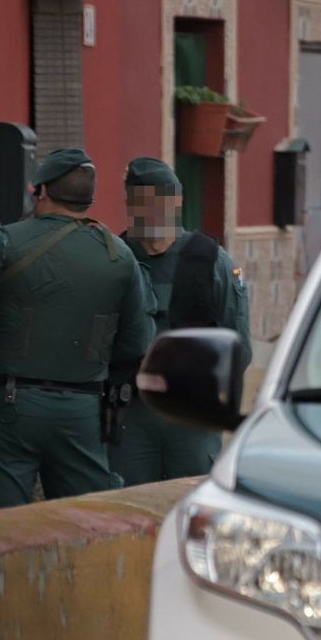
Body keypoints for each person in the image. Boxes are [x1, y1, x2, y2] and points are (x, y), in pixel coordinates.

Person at [0, 148, 154, 509]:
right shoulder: (120, 257)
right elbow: (136, 343)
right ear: (87, 199)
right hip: (83, 411)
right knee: (85, 524)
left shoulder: (2, 243)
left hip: (8, 410)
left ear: (42, 191)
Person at [108, 156, 250, 483]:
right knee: (128, 510)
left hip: (191, 414)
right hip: (131, 415)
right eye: (142, 202)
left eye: (160, 201)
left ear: (177, 202)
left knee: (189, 506)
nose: (152, 212)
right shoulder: (116, 258)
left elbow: (238, 345)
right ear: (130, 204)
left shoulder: (211, 261)